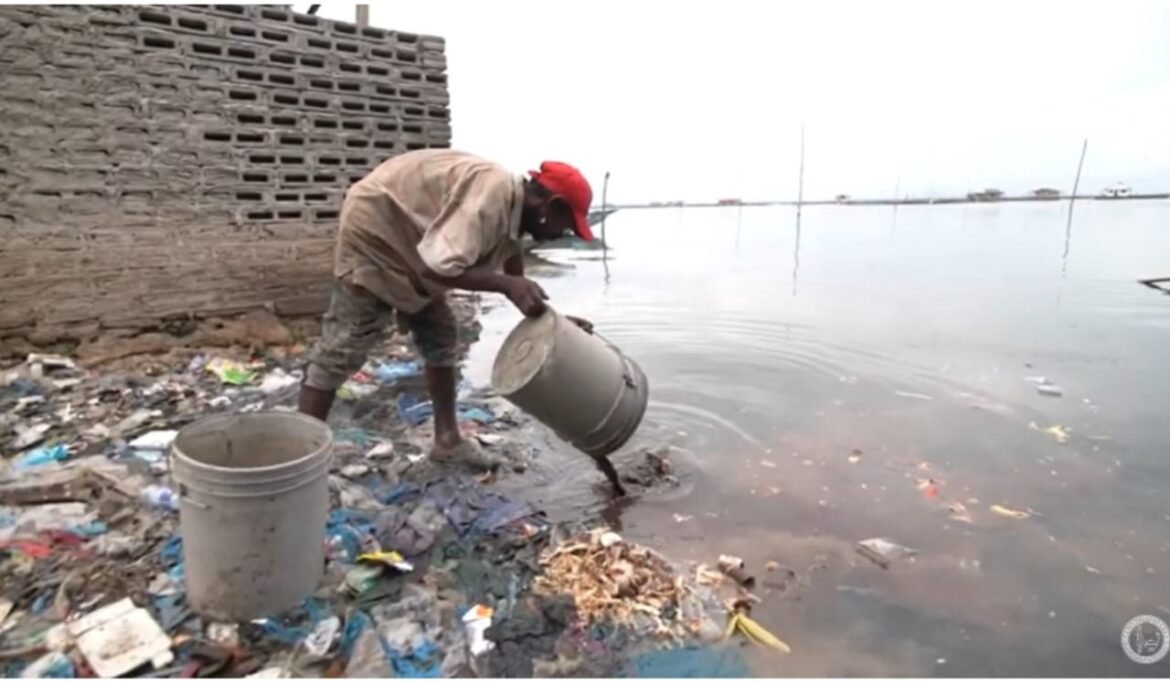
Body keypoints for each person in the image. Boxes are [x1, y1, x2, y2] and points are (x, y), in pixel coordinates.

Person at [297, 149, 596, 471]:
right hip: (377, 229)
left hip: (416, 242)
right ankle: (298, 456)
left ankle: (448, 442)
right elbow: (436, 268)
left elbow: (511, 269)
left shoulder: (512, 208)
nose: (562, 234)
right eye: (565, 226)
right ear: (549, 207)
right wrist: (505, 285)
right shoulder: (491, 194)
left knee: (441, 335)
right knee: (345, 345)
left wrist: (548, 321)